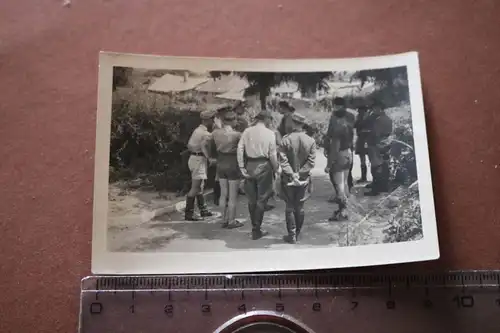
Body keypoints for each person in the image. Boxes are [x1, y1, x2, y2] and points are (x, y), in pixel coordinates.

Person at [237, 110, 279, 240]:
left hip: (250, 164)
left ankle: (254, 227)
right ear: (267, 120)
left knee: (251, 199)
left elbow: (240, 149)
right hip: (264, 165)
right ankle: (257, 229)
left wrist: (242, 166)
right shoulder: (270, 133)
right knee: (262, 198)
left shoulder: (247, 131)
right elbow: (272, 154)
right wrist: (276, 168)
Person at [278, 113, 316, 244]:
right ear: (302, 124)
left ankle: (291, 235)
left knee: (289, 206)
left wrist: (292, 174)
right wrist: (299, 174)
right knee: (300, 206)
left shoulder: (285, 140)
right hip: (304, 178)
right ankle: (298, 233)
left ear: (293, 123)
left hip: (288, 178)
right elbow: (311, 162)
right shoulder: (310, 140)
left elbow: (282, 161)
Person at [211, 111, 244, 229]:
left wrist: (211, 157)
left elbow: (207, 145)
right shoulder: (237, 135)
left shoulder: (215, 133)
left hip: (221, 163)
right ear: (233, 120)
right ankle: (231, 221)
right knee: (233, 195)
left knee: (223, 194)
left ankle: (223, 219)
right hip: (232, 163)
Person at [324, 97, 355, 221]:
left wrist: (329, 165)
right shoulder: (349, 119)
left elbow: (335, 147)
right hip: (348, 153)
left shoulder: (337, 126)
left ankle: (343, 212)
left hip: (339, 154)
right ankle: (346, 210)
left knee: (339, 186)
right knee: (345, 183)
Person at [184, 110, 217, 221]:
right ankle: (189, 214)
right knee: (195, 188)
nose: (213, 121)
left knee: (200, 186)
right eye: (212, 119)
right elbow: (204, 146)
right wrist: (209, 158)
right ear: (207, 120)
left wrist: (195, 150)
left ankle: (203, 210)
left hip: (194, 158)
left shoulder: (197, 130)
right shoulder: (205, 133)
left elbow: (189, 145)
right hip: (199, 160)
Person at [365, 99, 393, 196]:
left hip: (376, 145)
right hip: (386, 145)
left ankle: (375, 189)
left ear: (380, 109)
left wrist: (368, 135)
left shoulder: (378, 120)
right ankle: (383, 187)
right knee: (384, 166)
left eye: (375, 109)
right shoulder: (388, 118)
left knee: (375, 167)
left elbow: (375, 134)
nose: (373, 110)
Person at [353, 104, 371, 183]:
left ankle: (365, 177)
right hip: (362, 139)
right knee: (363, 159)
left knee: (370, 159)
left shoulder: (369, 118)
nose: (360, 112)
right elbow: (354, 125)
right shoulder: (359, 118)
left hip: (366, 139)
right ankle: (364, 177)